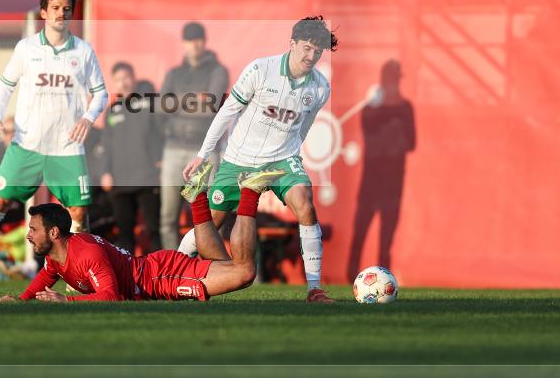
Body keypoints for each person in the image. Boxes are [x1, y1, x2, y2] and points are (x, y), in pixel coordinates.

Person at [0, 0, 108, 292]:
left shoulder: (83, 51)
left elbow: (101, 94)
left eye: (66, 9)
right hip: (27, 145)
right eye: (55, 8)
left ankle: (78, 281)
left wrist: (88, 118)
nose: (61, 13)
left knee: (79, 213)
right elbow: (5, 86)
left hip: (66, 147)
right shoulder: (26, 48)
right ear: (43, 12)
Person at [179, 17, 337, 303]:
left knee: (305, 205)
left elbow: (305, 127)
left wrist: (291, 157)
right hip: (239, 159)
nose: (311, 56)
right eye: (306, 48)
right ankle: (173, 270)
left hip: (282, 161)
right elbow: (227, 112)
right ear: (292, 44)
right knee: (210, 224)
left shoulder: (320, 87)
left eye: (317, 51)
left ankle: (314, 289)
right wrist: (204, 154)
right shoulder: (260, 70)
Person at [0, 166, 283, 303]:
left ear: (54, 232)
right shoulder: (59, 253)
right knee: (222, 263)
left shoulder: (85, 252)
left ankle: (250, 193)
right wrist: (21, 300)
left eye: (33, 229)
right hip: (159, 269)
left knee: (244, 272)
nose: (28, 235)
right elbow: (49, 274)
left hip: (162, 278)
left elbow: (111, 297)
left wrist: (65, 301)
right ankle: (196, 198)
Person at [159, 22, 229, 250]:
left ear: (204, 41)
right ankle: (171, 267)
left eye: (198, 39)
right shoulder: (174, 73)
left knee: (208, 216)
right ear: (184, 43)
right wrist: (194, 99)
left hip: (205, 152)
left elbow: (209, 105)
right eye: (190, 40)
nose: (194, 44)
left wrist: (177, 102)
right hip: (172, 150)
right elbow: (161, 106)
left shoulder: (218, 71)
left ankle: (204, 267)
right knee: (168, 217)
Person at [347, 60, 416, 281]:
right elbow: (373, 140)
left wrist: (394, 136)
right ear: (383, 81)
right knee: (359, 237)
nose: (393, 84)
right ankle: (350, 279)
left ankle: (384, 281)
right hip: (369, 187)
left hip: (393, 188)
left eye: (396, 79)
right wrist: (391, 132)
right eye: (390, 80)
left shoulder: (406, 109)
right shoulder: (370, 109)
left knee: (386, 242)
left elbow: (411, 142)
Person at [99, 62, 163, 253]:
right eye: (118, 80)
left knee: (153, 229)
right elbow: (106, 144)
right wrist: (105, 172)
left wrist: (160, 161)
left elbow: (160, 134)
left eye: (126, 78)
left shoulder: (149, 103)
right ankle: (128, 275)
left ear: (133, 78)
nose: (123, 83)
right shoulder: (112, 110)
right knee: (125, 232)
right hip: (120, 181)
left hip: (147, 178)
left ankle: (159, 274)